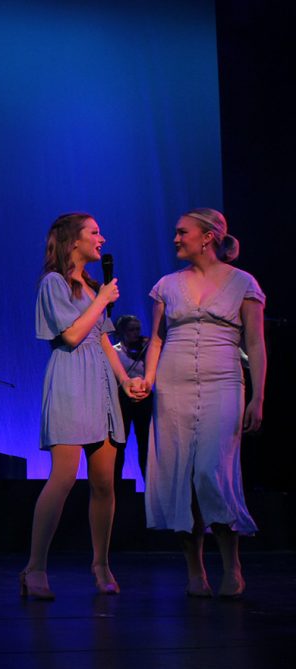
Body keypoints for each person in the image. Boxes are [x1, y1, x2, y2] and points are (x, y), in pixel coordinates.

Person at [20, 213, 146, 600]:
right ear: (73, 240)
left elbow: (104, 341)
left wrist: (126, 381)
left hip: (103, 386)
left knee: (105, 482)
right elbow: (72, 335)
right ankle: (35, 567)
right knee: (63, 478)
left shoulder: (92, 288)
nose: (101, 238)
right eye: (94, 232)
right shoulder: (54, 283)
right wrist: (104, 299)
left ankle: (101, 563)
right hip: (71, 379)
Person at [141, 208, 265, 599]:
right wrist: (147, 377)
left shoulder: (242, 283)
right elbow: (157, 338)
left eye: (182, 232)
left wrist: (259, 395)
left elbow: (256, 343)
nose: (176, 239)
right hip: (173, 384)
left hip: (223, 381)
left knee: (213, 471)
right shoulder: (167, 285)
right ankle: (195, 569)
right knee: (179, 475)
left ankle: (232, 565)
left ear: (207, 236)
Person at [111, 315, 152, 480]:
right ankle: (117, 485)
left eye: (138, 330)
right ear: (122, 332)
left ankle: (149, 486)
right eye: (131, 330)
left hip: (144, 398)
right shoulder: (115, 351)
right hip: (122, 399)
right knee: (120, 442)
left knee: (145, 443)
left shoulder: (145, 349)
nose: (136, 333)